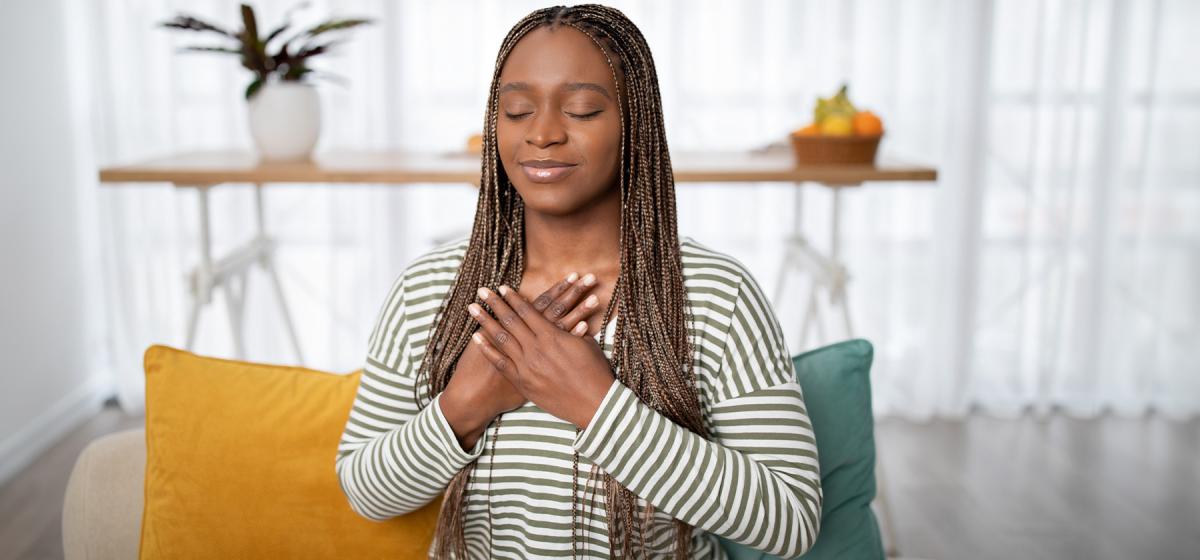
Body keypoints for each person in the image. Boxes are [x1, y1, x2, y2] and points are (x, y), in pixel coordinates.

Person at [335, 4, 821, 558]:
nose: (542, 134)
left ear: (634, 120)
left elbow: (791, 519)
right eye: (517, 111)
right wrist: (466, 405)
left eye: (583, 110)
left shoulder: (715, 295)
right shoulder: (431, 289)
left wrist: (595, 403)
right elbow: (366, 491)